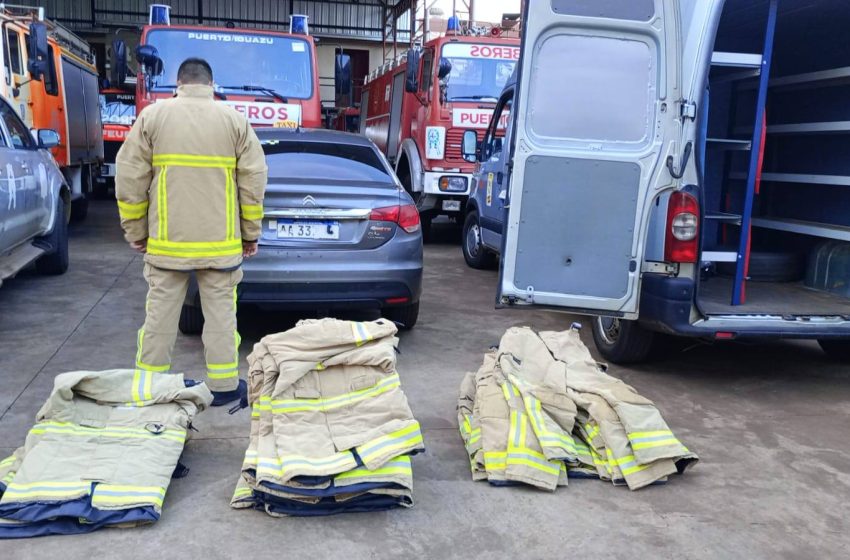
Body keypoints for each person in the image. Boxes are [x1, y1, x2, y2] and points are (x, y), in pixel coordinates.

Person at [115, 58, 267, 406]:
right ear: (210, 85)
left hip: (168, 245)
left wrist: (136, 230)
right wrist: (249, 234)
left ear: (179, 83)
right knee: (221, 320)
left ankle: (149, 388)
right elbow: (253, 181)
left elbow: (129, 177)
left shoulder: (153, 117)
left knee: (160, 320)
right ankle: (225, 386)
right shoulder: (234, 120)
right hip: (221, 246)